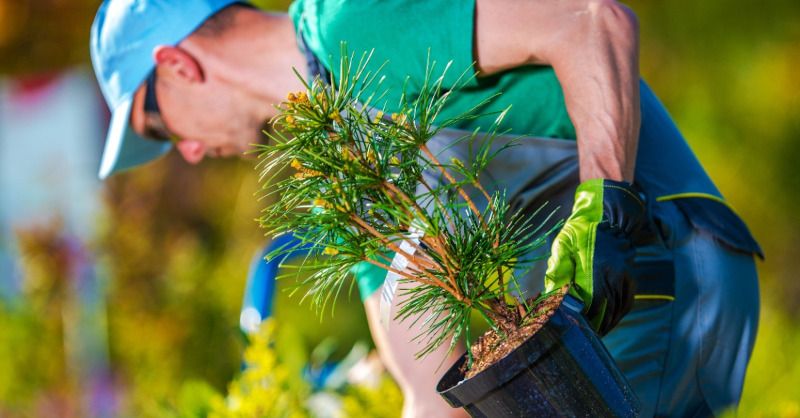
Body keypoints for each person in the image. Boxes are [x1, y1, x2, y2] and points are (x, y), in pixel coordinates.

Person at [90, 1, 763, 417]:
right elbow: (427, 390)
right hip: (587, 333)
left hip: (662, 265)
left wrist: (606, 207)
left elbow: (591, 23)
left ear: (178, 65)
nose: (189, 152)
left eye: (159, 129)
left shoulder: (353, 18)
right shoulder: (345, 172)